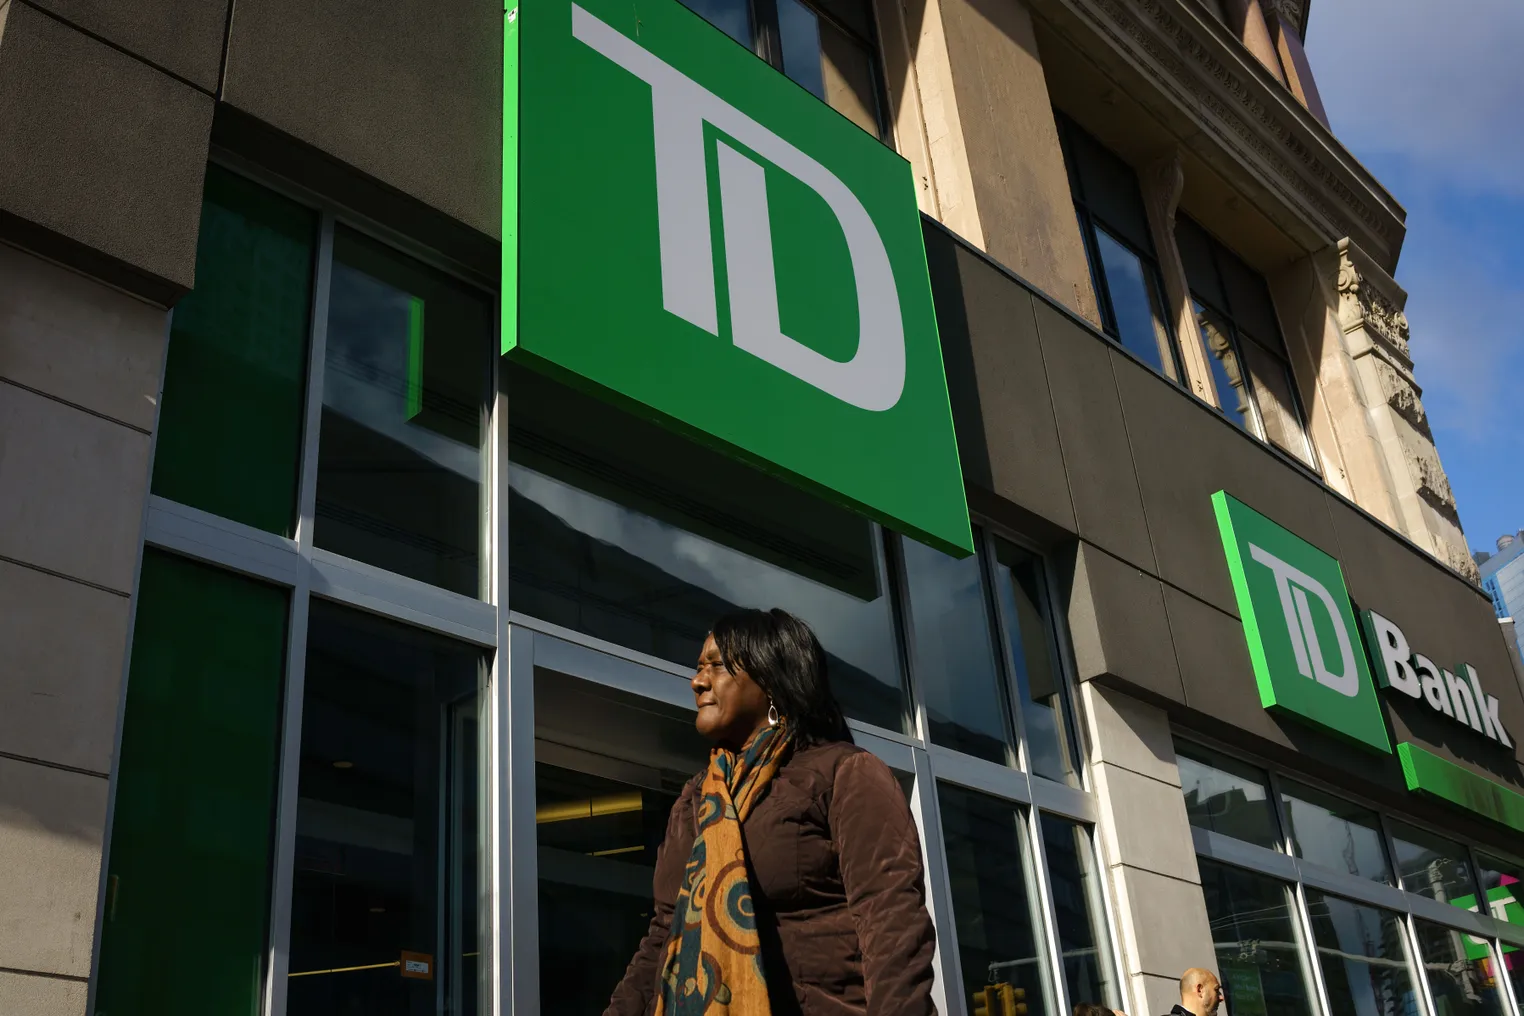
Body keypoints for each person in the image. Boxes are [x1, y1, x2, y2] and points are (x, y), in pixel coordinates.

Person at [603, 608, 937, 1016]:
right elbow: (663, 939)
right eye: (697, 668)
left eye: (716, 666)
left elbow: (892, 922)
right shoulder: (697, 799)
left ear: (771, 680)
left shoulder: (844, 773)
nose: (697, 681)